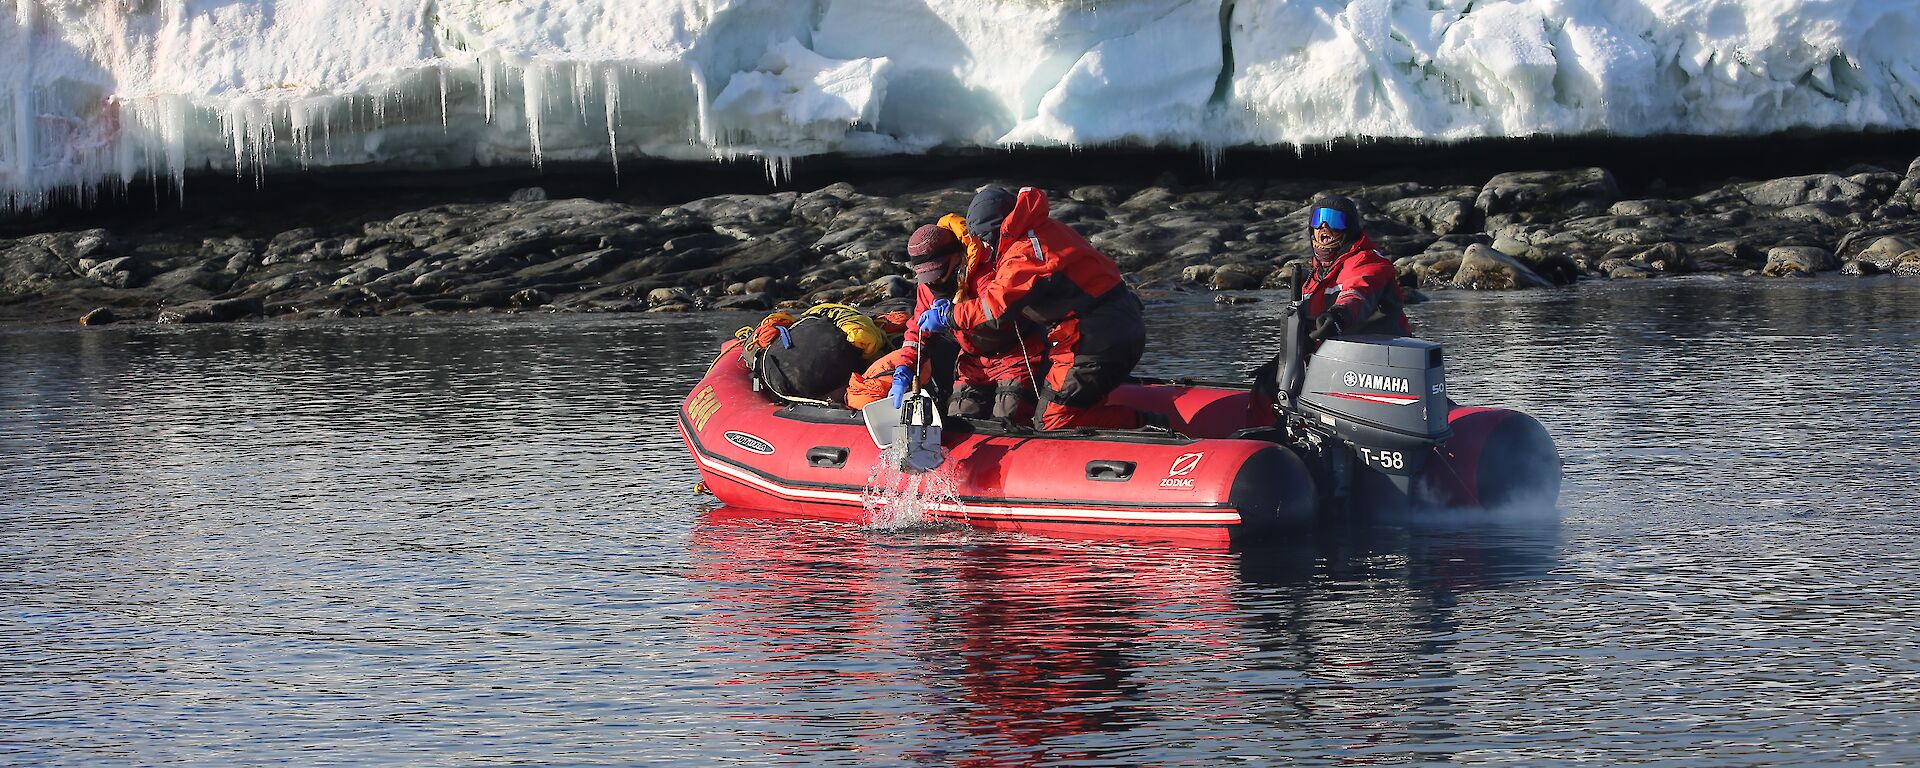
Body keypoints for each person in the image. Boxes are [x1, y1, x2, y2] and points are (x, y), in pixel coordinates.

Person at [917, 186, 1148, 431]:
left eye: (986, 239)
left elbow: (995, 309)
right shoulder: (1045, 229)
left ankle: (1149, 429)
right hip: (1113, 325)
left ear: (997, 231)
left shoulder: (1026, 252)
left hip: (1096, 337)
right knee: (1072, 404)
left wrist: (949, 315)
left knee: (1052, 421)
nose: (985, 247)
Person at [856, 218, 1044, 423]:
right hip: (973, 364)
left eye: (938, 272)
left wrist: (950, 317)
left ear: (956, 257)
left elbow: (998, 318)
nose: (934, 281)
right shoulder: (927, 288)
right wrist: (904, 370)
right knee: (958, 419)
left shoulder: (986, 275)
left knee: (1008, 418)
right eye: (927, 276)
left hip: (1014, 358)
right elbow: (917, 333)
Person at [1297, 195, 1411, 341]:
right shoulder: (1314, 277)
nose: (1324, 226)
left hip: (1381, 353)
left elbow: (1357, 292)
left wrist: (1339, 316)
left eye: (1334, 220)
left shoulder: (1366, 261)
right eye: (1318, 219)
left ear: (1349, 228)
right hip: (1334, 356)